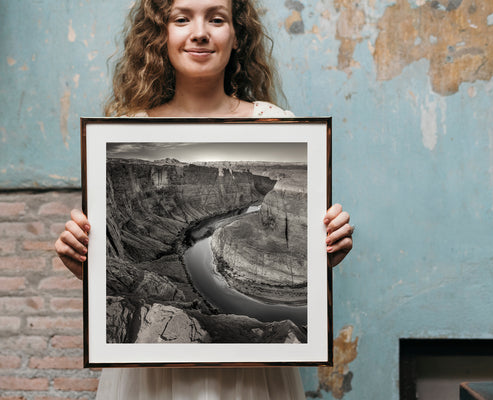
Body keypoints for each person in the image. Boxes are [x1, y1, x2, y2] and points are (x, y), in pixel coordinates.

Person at [55, 0, 354, 398]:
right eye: (182, 18)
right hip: (152, 380)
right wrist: (87, 266)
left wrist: (320, 252)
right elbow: (112, 263)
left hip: (248, 380)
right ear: (161, 33)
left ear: (237, 35)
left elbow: (310, 253)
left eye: (216, 18)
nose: (200, 32)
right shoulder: (126, 130)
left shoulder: (276, 122)